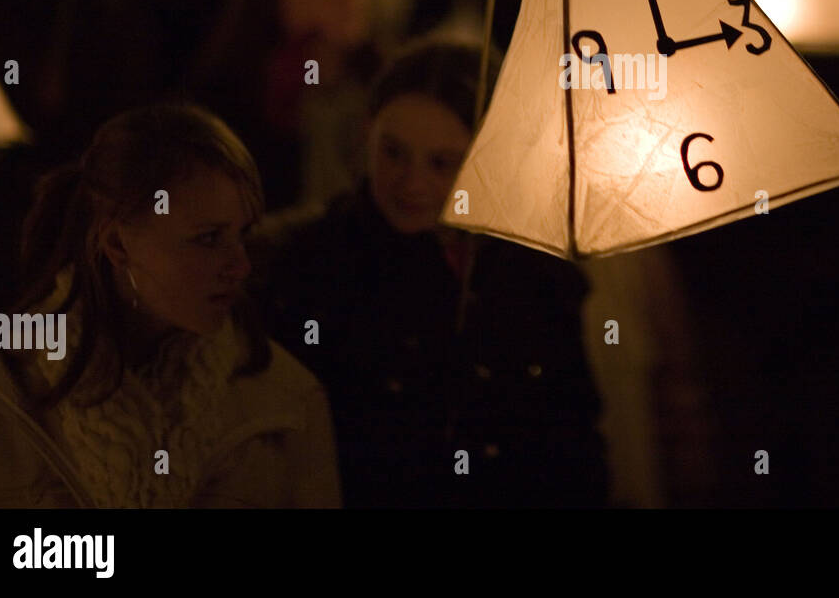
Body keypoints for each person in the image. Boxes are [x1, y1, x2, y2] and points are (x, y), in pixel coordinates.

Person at [257, 40, 608, 508]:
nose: (411, 183)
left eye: (442, 163)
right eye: (393, 152)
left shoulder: (534, 268)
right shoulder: (312, 263)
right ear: (367, 132)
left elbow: (575, 437)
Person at [0, 104, 341, 507]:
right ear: (118, 244)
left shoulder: (286, 404)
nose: (241, 265)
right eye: (209, 238)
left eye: (242, 234)